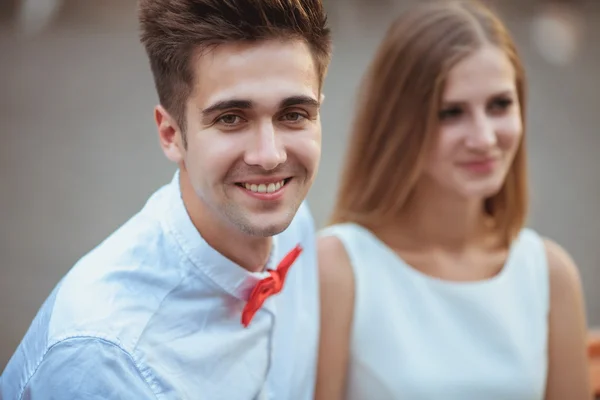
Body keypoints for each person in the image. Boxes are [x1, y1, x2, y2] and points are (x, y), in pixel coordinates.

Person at [1, 0, 331, 398]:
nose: (270, 156)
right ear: (171, 134)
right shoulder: (103, 355)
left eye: (293, 113)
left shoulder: (294, 221)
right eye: (231, 118)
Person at [315, 1, 591, 399]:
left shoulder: (550, 274)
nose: (483, 138)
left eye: (499, 105)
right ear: (400, 122)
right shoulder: (339, 268)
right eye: (451, 112)